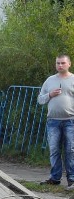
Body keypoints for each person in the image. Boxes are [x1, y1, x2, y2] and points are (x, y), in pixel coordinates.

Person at [38, 54, 74, 188]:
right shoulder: (49, 80)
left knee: (71, 150)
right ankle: (55, 178)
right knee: (54, 150)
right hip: (53, 121)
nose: (60, 65)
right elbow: (40, 99)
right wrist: (50, 95)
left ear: (69, 64)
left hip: (71, 120)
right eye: (58, 63)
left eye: (63, 63)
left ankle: (72, 179)